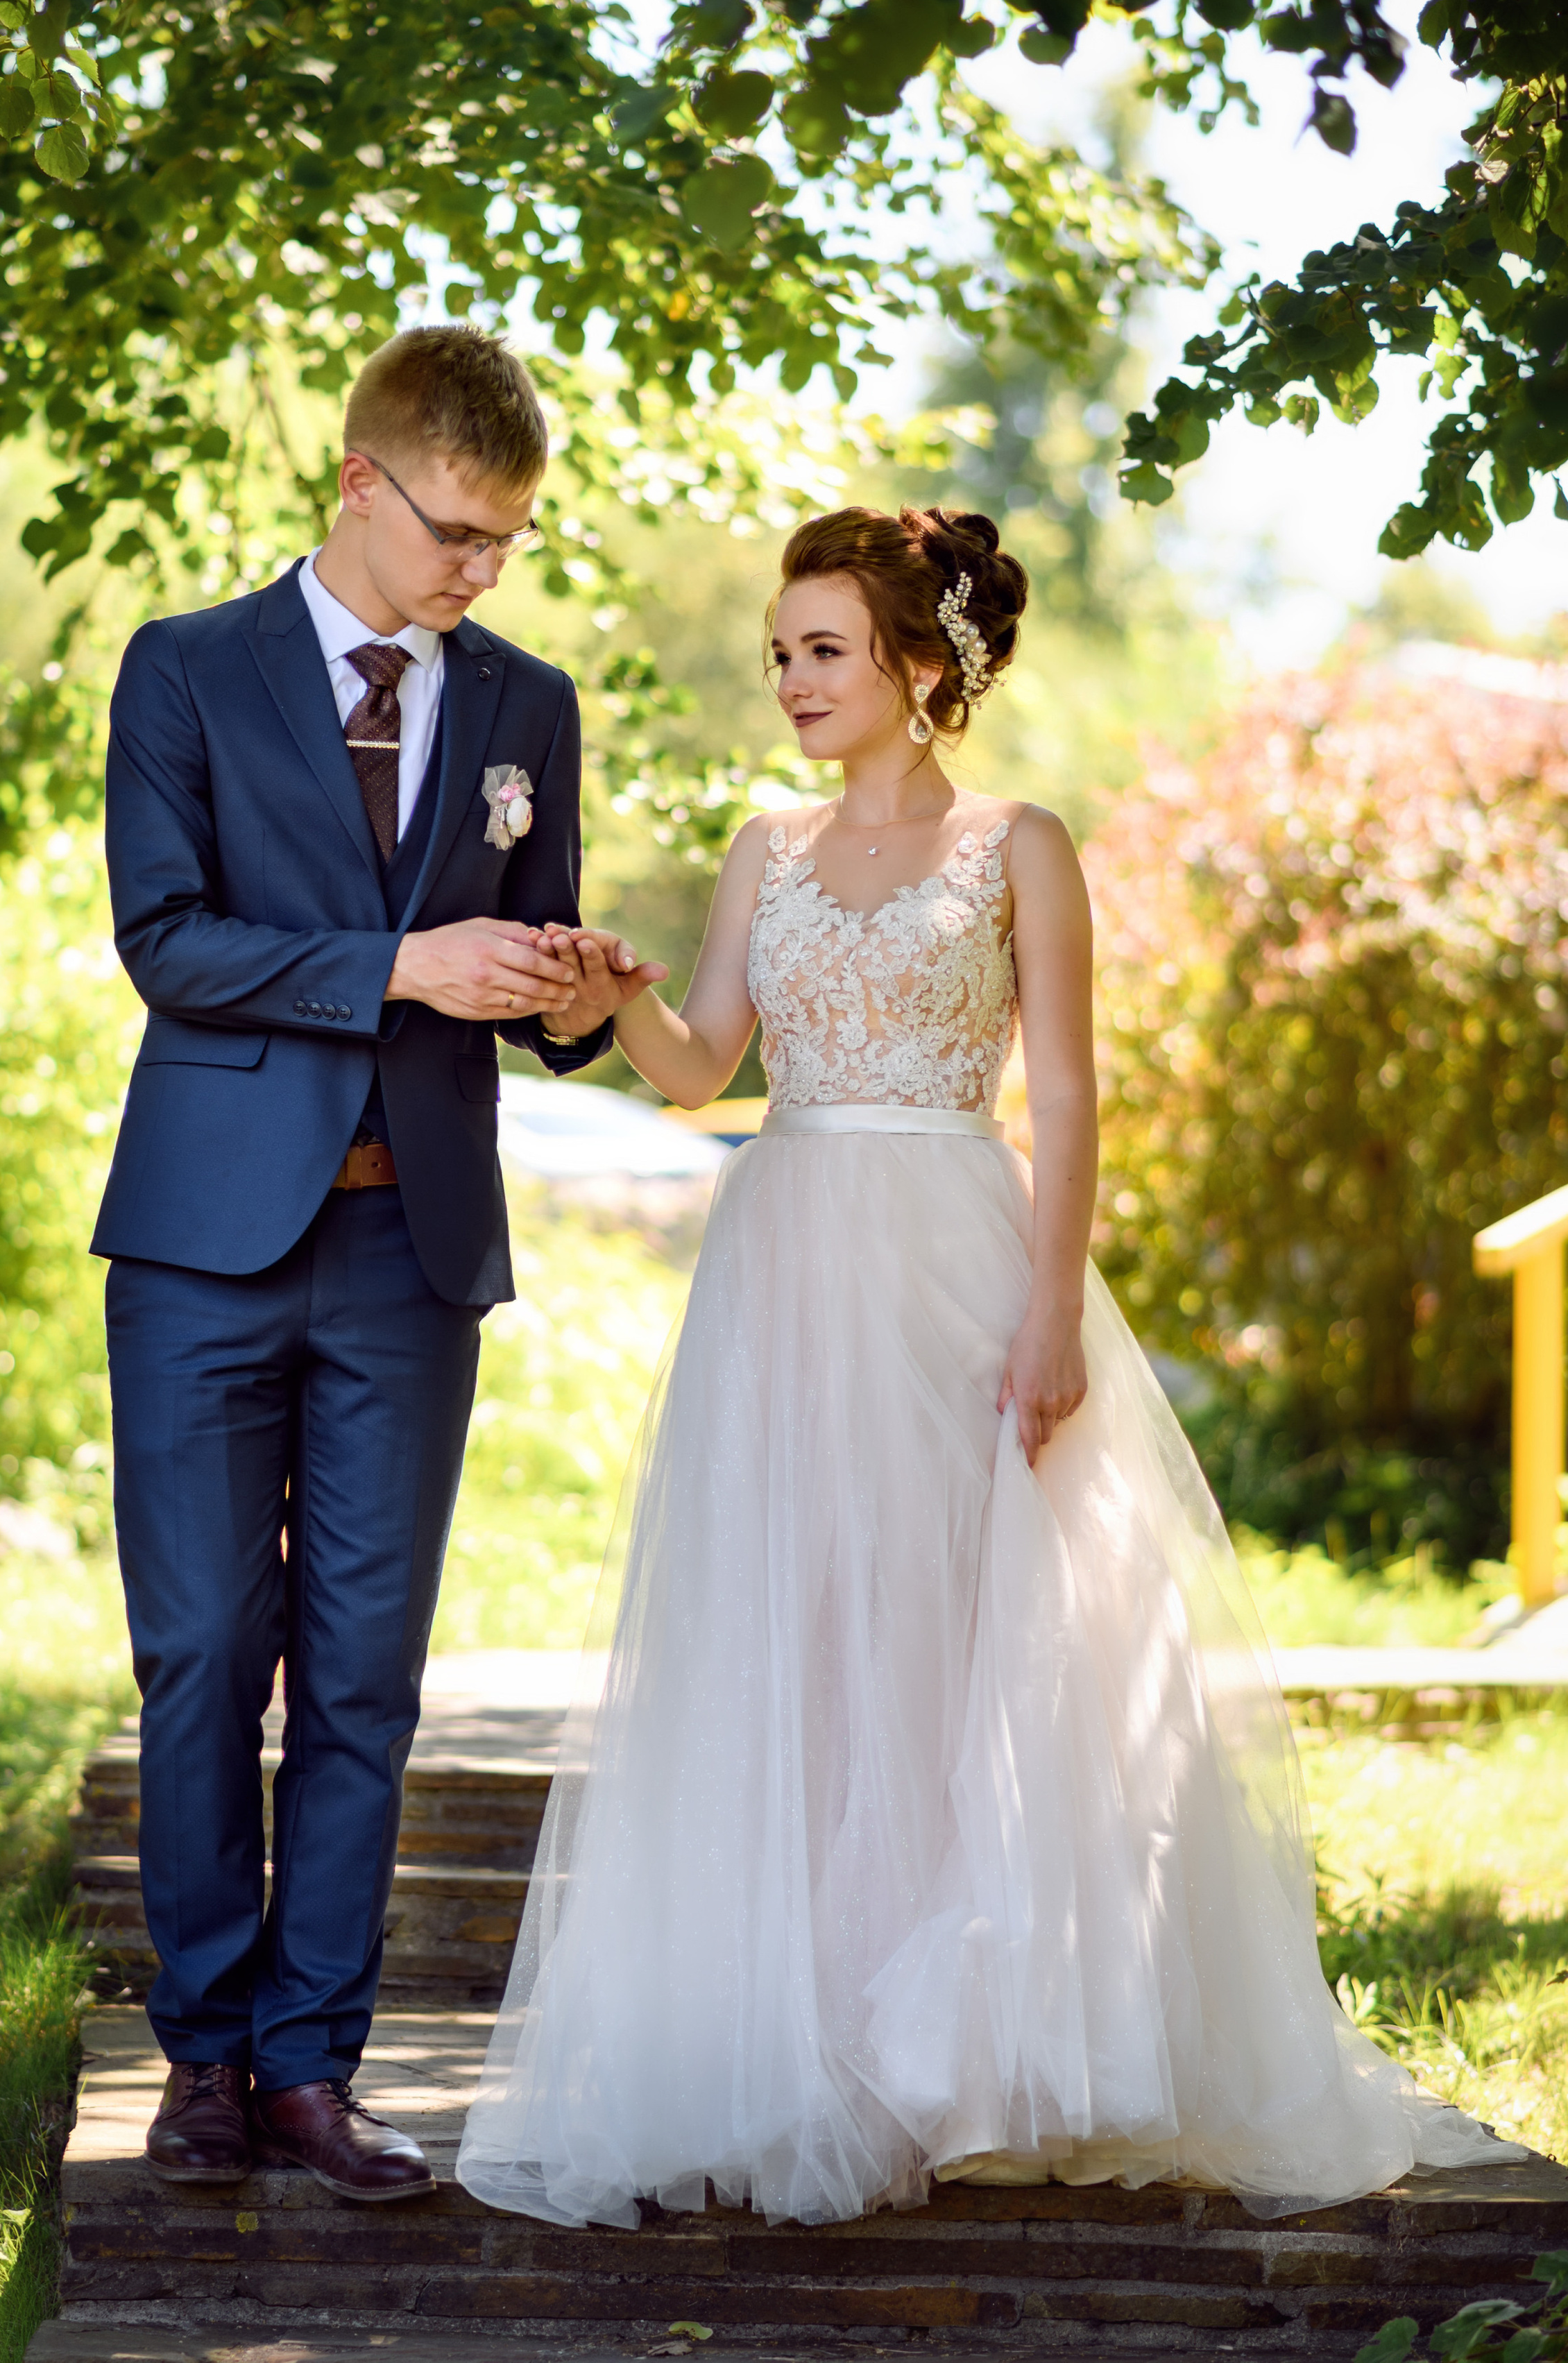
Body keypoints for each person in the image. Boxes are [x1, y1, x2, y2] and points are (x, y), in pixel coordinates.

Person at [457, 502, 1524, 2228]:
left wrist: (1049, 1312)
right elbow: (696, 1065)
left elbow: (1069, 1100)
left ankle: (977, 2046)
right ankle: (809, 2044)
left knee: (967, 1629)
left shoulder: (1020, 844)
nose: (789, 681)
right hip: (786, 1261)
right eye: (778, 654)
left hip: (958, 1254)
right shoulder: (760, 847)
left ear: (912, 660)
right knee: (803, 1629)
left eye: (820, 650)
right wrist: (600, 990)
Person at [93, 325, 645, 2202]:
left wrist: (577, 991)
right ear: (359, 484)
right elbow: (166, 940)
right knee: (197, 1661)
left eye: (507, 545)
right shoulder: (183, 672)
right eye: (458, 535)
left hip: (414, 1256)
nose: (481, 574)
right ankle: (202, 2057)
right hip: (197, 1251)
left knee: (362, 1679)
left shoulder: (524, 706)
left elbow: (532, 953)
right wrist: (404, 968)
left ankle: (314, 2069)